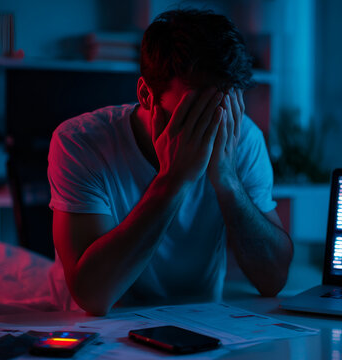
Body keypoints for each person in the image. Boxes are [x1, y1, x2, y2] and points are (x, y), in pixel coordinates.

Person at [47, 9, 293, 315]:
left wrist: (228, 180)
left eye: (220, 110)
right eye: (193, 114)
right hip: (96, 329)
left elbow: (273, 280)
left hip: (199, 320)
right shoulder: (80, 142)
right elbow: (93, 296)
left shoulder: (242, 137)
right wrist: (172, 180)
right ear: (146, 95)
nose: (210, 128)